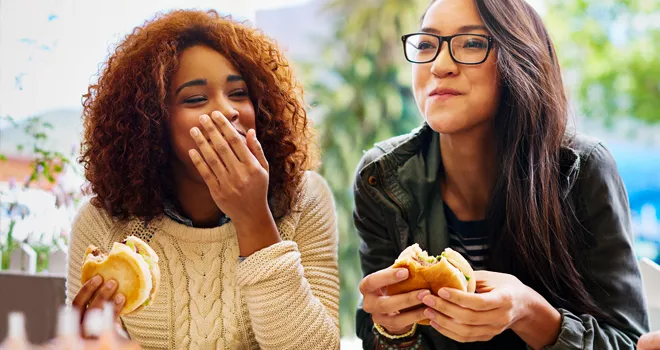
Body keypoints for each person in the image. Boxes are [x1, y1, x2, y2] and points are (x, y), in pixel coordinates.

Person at [353, 0, 649, 349]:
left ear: (520, 59)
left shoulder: (583, 169)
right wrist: (393, 329)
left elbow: (629, 341)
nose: (440, 65)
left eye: (472, 43)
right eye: (426, 45)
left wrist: (530, 314)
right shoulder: (381, 178)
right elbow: (381, 337)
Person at [65, 10, 339, 349]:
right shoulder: (103, 223)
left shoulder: (304, 200)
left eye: (239, 93)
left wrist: (253, 218)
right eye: (195, 99)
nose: (227, 111)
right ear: (151, 123)